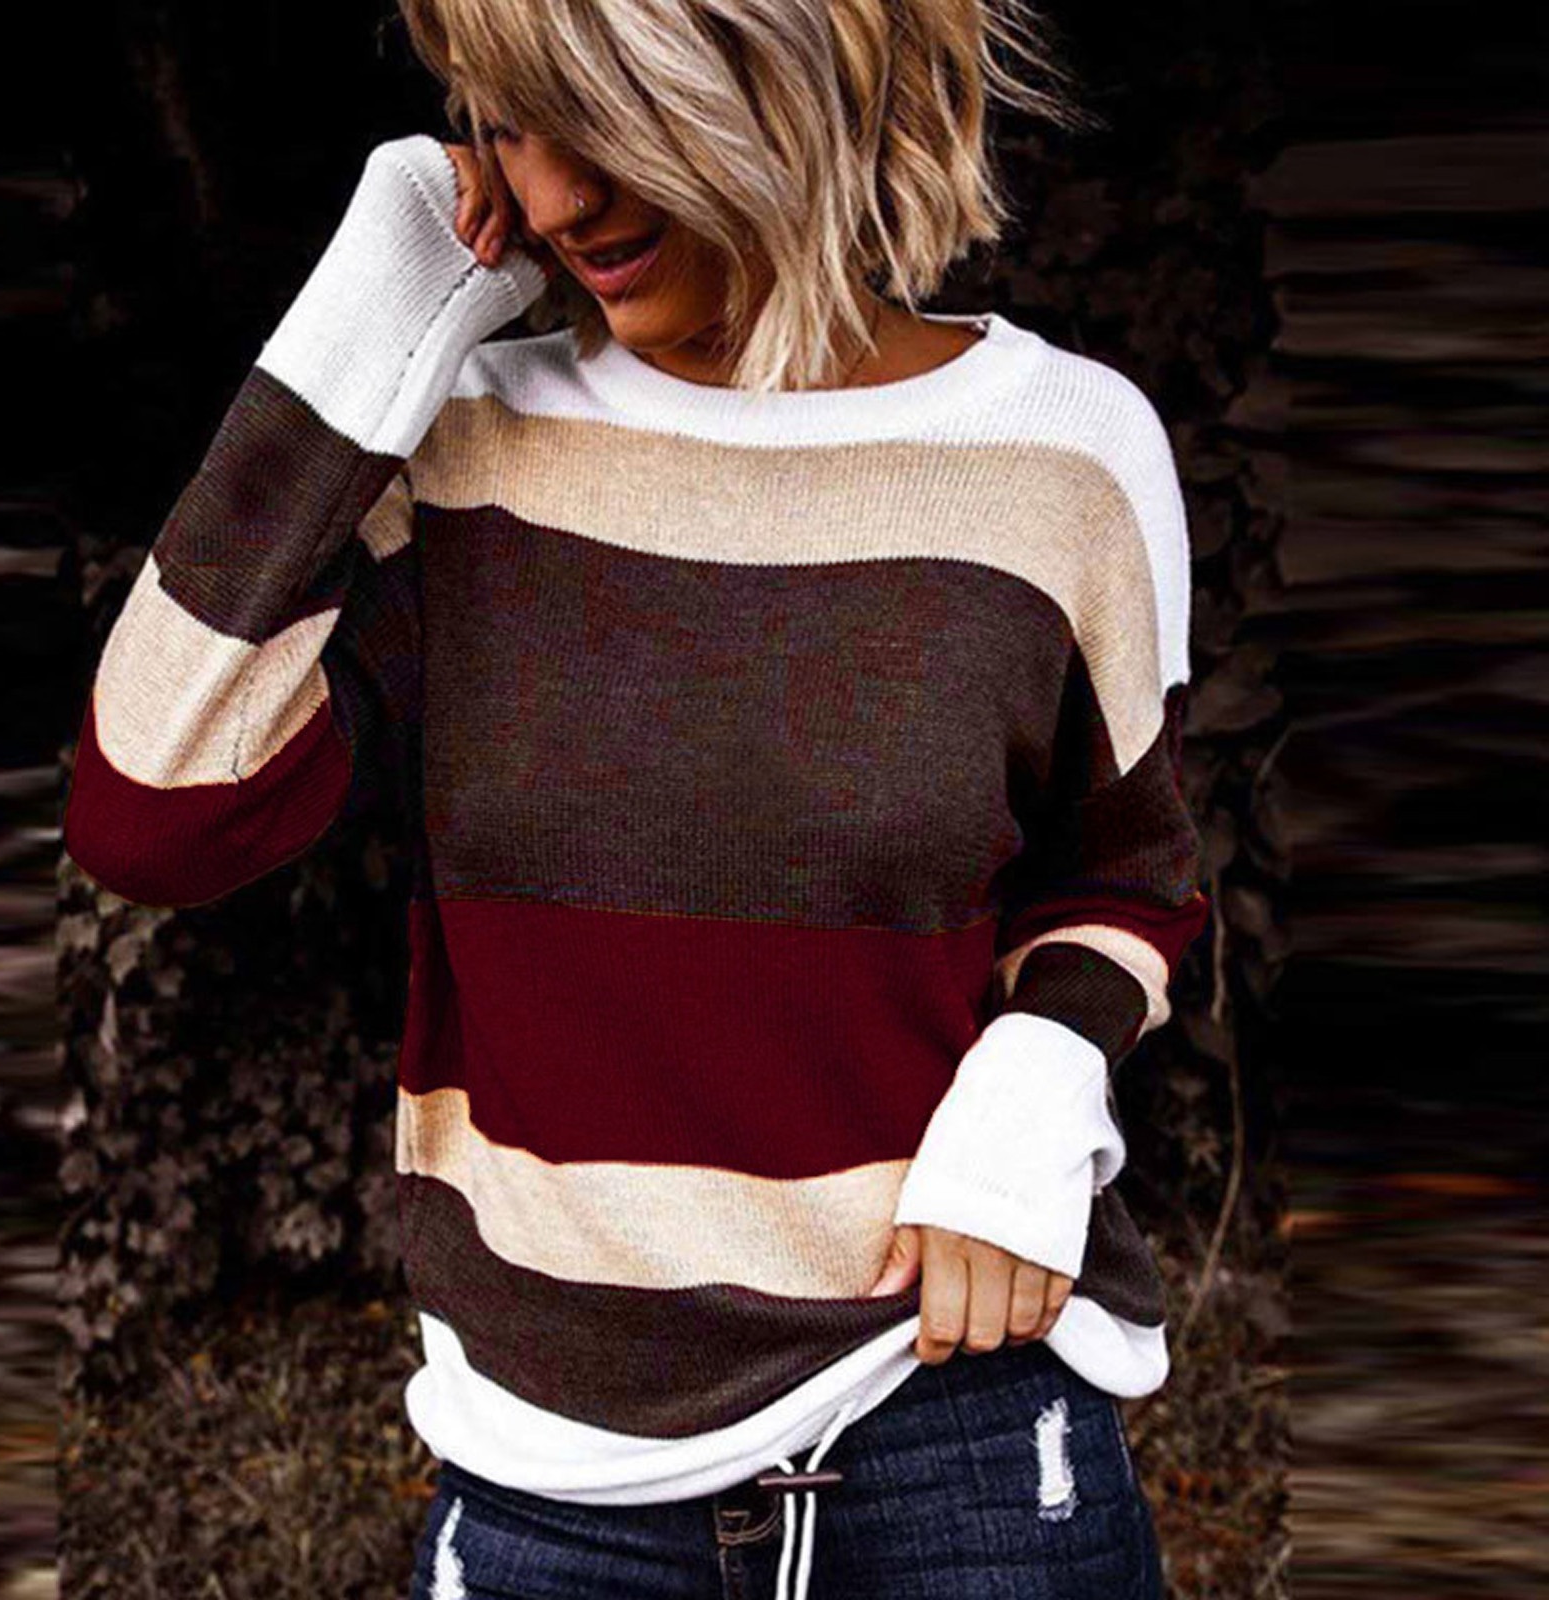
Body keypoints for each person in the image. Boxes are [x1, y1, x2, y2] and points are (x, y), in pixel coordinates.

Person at [62, 1, 1209, 1595]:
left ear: (781, 79)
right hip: (554, 1493)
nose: (553, 198)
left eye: (605, 120)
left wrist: (1035, 1084)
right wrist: (373, 311)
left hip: (957, 1430)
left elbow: (1126, 878)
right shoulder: (465, 456)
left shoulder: (1064, 456)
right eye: (507, 124)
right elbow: (155, 815)